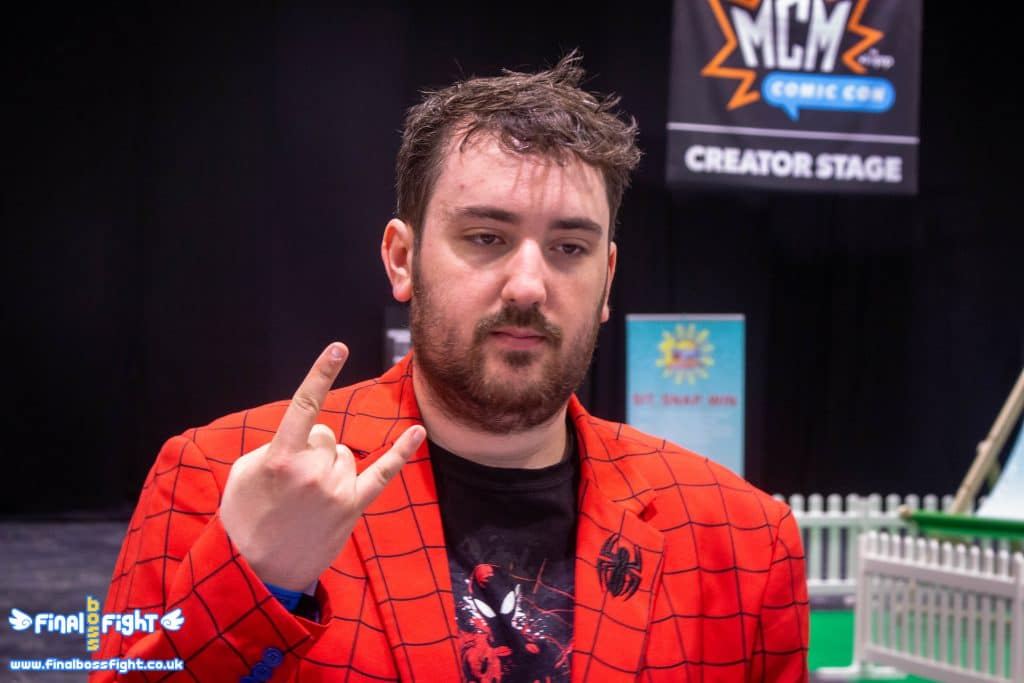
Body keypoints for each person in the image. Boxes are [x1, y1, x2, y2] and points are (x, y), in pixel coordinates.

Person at [93, 53, 808, 682]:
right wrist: (262, 586)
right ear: (402, 259)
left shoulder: (743, 539)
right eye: (486, 237)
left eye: (569, 248)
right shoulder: (220, 479)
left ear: (607, 280)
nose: (528, 286)